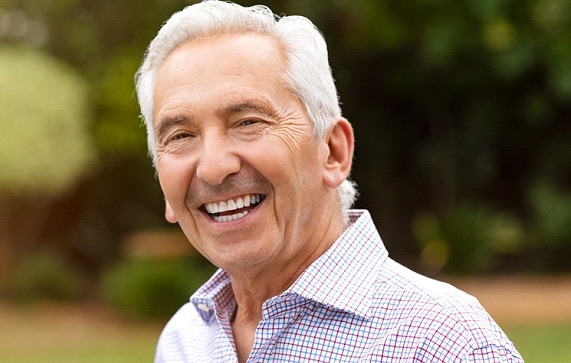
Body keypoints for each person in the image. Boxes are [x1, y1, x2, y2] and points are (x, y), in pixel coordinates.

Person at [135, 1, 524, 362]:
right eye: (181, 136)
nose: (212, 168)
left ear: (334, 152)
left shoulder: (445, 343)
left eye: (248, 122)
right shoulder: (184, 340)